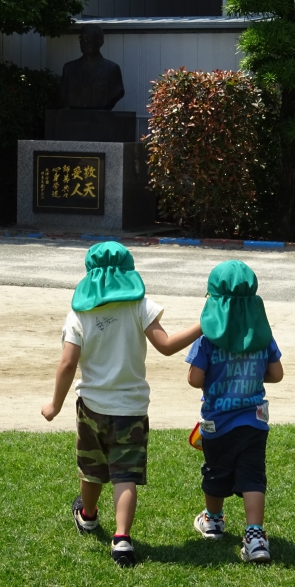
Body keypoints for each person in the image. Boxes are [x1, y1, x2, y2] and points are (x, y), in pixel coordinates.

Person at [41, 241, 201, 567]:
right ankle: (122, 538)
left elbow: (68, 364)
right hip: (131, 409)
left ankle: (87, 515)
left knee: (91, 469)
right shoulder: (140, 306)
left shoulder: (79, 313)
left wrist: (54, 405)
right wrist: (204, 325)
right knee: (124, 475)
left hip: (92, 407)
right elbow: (166, 346)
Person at [185, 260, 283, 564]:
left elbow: (194, 379)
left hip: (217, 423)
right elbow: (276, 374)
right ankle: (255, 536)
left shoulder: (207, 339)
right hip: (254, 421)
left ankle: (213, 520)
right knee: (253, 476)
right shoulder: (262, 335)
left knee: (215, 471)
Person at [61, 24, 125, 110]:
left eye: (89, 39)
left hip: (100, 116)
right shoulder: (69, 68)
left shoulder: (112, 69)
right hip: (74, 116)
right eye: (82, 39)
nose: (84, 43)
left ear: (100, 42)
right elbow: (64, 94)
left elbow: (117, 93)